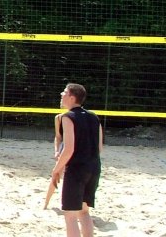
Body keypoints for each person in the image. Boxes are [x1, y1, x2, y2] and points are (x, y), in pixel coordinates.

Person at [51, 83, 103, 237]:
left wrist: (56, 170)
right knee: (84, 212)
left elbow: (68, 149)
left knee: (70, 215)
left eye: (65, 92)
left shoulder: (67, 117)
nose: (61, 94)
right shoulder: (94, 117)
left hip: (77, 170)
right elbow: (99, 148)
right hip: (94, 167)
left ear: (72, 98)